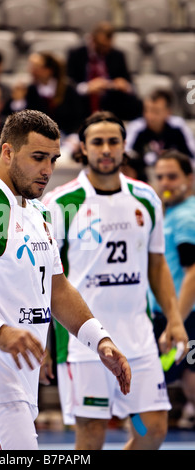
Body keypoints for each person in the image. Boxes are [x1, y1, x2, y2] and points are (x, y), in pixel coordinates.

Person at [0, 109, 131, 450]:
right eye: (37, 158)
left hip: (16, 387)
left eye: (53, 159)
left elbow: (57, 287)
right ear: (7, 152)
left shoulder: (39, 211)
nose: (48, 170)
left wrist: (99, 340)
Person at [42, 110, 188, 450]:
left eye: (113, 142)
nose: (106, 149)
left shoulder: (146, 197)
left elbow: (157, 267)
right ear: (83, 148)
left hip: (138, 336)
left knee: (152, 430)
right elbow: (47, 280)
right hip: (83, 342)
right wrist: (46, 344)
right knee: (92, 435)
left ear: (124, 146)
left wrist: (175, 320)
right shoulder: (60, 203)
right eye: (97, 142)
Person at [151, 150, 195, 427]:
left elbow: (193, 271)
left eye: (172, 176)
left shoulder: (186, 217)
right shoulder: (170, 213)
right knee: (185, 374)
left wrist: (176, 320)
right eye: (160, 177)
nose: (165, 183)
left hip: (181, 315)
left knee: (187, 376)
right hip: (168, 315)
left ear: (189, 179)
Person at [66, 21, 142, 121]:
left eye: (108, 46)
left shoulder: (117, 55)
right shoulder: (76, 54)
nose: (105, 49)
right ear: (92, 40)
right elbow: (68, 84)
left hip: (110, 100)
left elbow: (129, 83)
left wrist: (124, 86)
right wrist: (87, 87)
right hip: (83, 102)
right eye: (102, 45)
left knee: (136, 103)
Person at [6, 51, 84, 138]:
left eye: (36, 67)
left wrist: (73, 136)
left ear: (48, 70)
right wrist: (19, 100)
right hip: (36, 138)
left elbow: (77, 116)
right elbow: (18, 119)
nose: (32, 71)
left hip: (66, 136)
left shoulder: (67, 89)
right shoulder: (29, 90)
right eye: (31, 67)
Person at [126, 89, 195, 173]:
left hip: (173, 175)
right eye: (147, 110)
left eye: (156, 111)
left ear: (168, 112)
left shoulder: (179, 127)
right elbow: (127, 157)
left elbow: (192, 157)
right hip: (144, 176)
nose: (150, 116)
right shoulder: (136, 128)